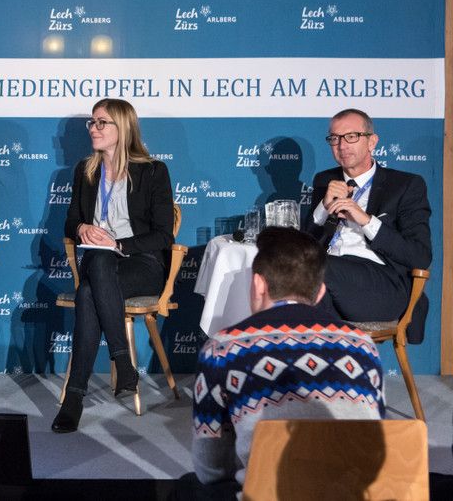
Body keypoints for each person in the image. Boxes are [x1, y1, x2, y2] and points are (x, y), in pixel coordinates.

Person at [180, 227, 384, 499]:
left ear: (258, 284)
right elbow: (375, 439)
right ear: (320, 292)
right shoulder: (363, 345)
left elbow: (212, 469)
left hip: (269, 494)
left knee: (187, 487)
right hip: (353, 494)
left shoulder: (222, 349)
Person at [51, 98, 174, 433]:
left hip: (141, 263)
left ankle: (74, 397)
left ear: (123, 128)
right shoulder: (85, 171)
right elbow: (70, 222)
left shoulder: (153, 171)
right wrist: (81, 228)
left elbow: (164, 235)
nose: (93, 128)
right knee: (99, 262)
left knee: (88, 292)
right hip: (97, 260)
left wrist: (118, 244)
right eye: (92, 122)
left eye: (101, 122)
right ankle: (123, 361)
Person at [303, 108, 431, 335]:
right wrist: (323, 206)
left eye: (351, 137)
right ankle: (332, 353)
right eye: (335, 139)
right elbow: (306, 245)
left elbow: (420, 255)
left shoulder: (405, 185)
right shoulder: (325, 180)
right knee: (297, 271)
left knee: (314, 269)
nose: (342, 146)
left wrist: (365, 220)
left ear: (372, 142)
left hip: (383, 284)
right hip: (328, 277)